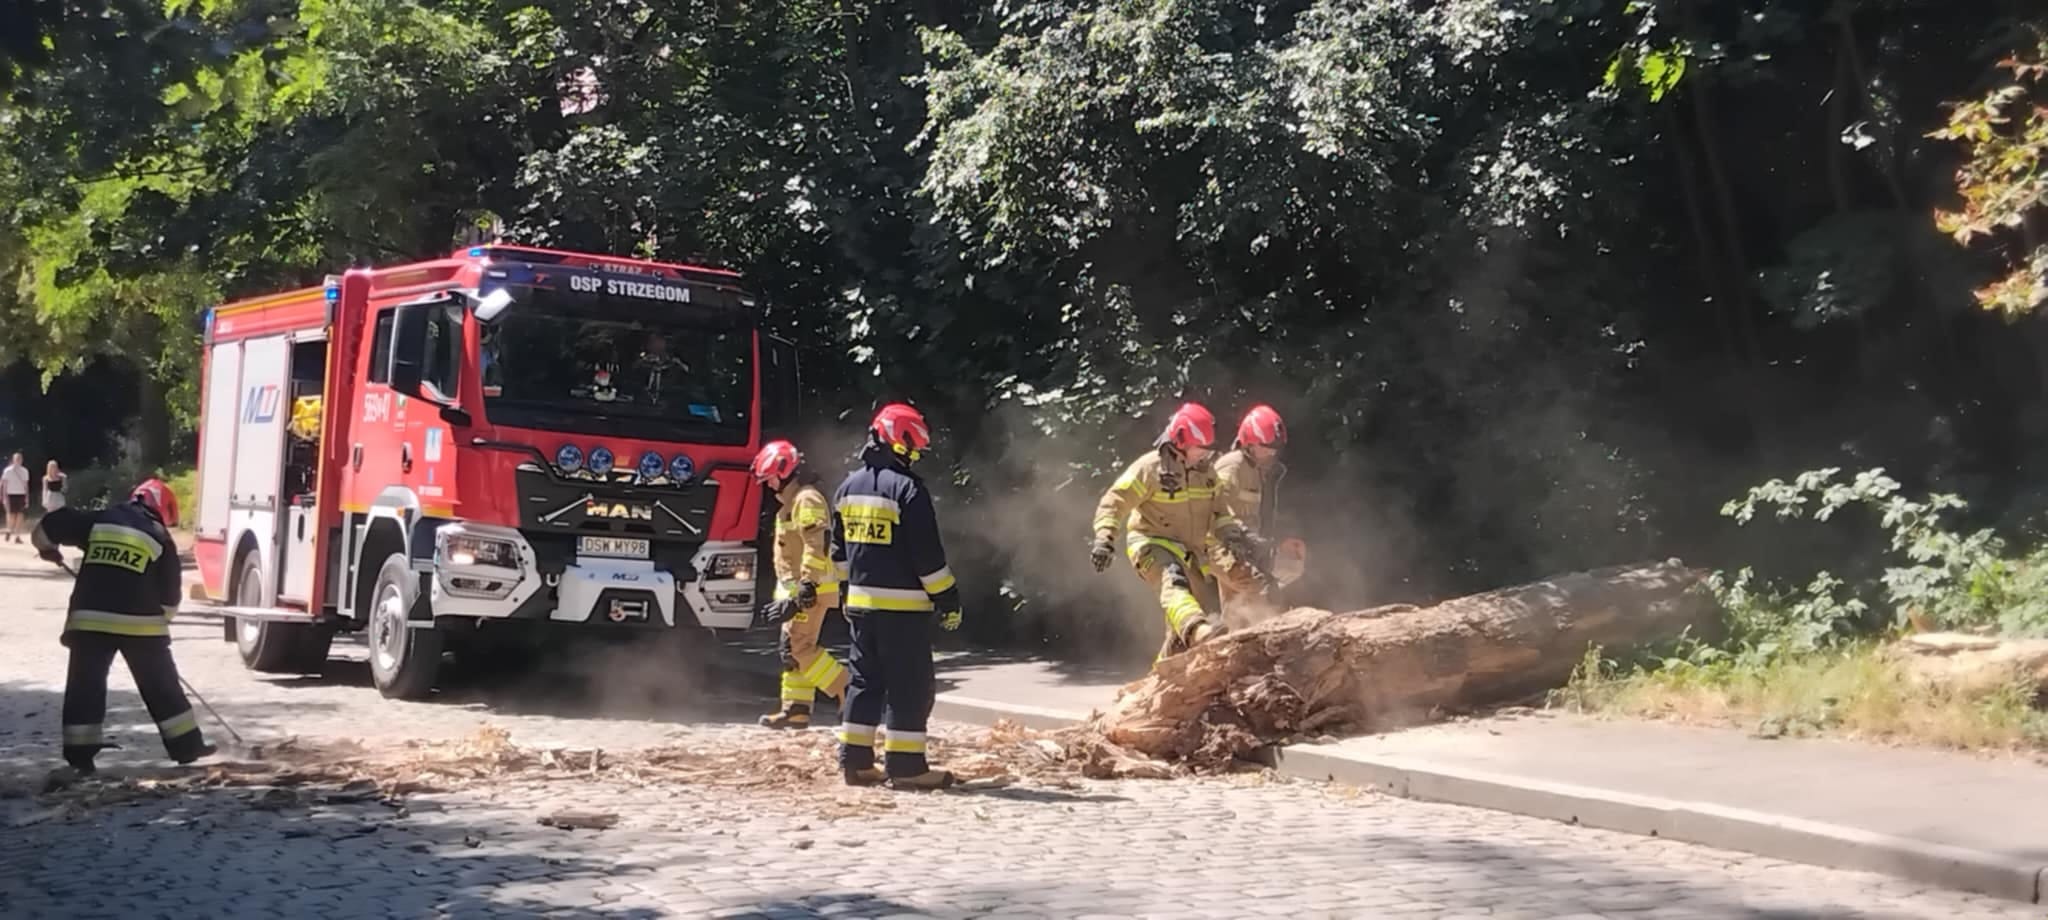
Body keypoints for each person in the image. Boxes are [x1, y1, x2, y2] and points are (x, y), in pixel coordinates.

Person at [31, 479, 214, 774]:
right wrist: (158, 632)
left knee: (85, 686)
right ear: (163, 510)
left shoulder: (100, 520)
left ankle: (80, 757)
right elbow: (170, 600)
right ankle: (187, 747)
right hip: (141, 626)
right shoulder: (161, 539)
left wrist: (47, 549)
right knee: (161, 685)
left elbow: (50, 525)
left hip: (89, 620)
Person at [830, 403, 962, 789]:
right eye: (911, 449)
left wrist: (846, 591)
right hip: (903, 613)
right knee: (910, 687)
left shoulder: (846, 487)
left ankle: (855, 763)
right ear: (895, 442)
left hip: (861, 609)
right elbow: (927, 559)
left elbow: (837, 554)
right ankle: (907, 768)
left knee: (863, 684)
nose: (914, 457)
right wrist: (948, 598)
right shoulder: (908, 489)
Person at [1090, 402, 1266, 661]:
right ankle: (1199, 631)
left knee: (1180, 635)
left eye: (1206, 450)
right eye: (1198, 449)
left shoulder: (1206, 474)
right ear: (1179, 440)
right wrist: (1104, 538)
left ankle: (1157, 684)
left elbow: (1219, 514)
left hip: (1191, 554)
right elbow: (1115, 501)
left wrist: (1232, 537)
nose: (1202, 455)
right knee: (1174, 585)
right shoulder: (1150, 468)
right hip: (1151, 543)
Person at [751, 439, 849, 729]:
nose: (768, 485)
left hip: (811, 590)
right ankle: (796, 708)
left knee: (798, 647)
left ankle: (847, 690)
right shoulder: (792, 502)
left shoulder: (806, 499)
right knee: (791, 647)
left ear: (783, 472)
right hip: (800, 591)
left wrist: (806, 586)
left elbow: (816, 544)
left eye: (769, 479)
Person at [1208, 405, 1286, 622]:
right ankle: (1273, 641)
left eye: (1274, 447)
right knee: (1262, 589)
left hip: (1241, 546)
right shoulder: (1231, 467)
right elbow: (1215, 507)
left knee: (1237, 609)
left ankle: (1234, 649)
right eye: (1266, 446)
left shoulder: (1261, 471)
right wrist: (1245, 537)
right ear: (1249, 442)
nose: (1271, 452)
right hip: (1220, 543)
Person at [3, 452, 29, 542]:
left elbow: (26, 485)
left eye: (20, 459)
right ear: (13, 460)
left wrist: (27, 497)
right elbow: (5, 485)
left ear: (22, 460)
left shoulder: (25, 471)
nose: (18, 461)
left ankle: (17, 536)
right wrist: (3, 496)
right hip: (11, 494)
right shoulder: (7, 471)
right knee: (12, 515)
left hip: (21, 494)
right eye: (16, 459)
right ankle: (9, 530)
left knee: (20, 515)